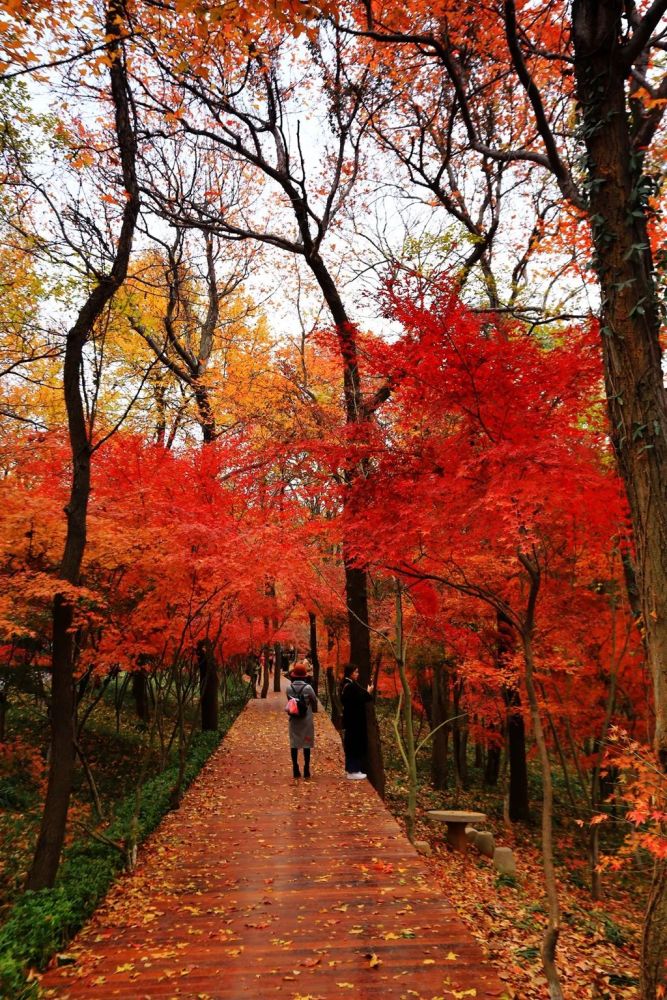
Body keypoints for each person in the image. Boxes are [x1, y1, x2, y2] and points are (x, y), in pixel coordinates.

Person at [340, 663, 373, 780]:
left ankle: (354, 769)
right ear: (350, 673)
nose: (357, 674)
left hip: (351, 720)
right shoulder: (350, 686)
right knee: (354, 745)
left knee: (352, 744)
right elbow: (359, 700)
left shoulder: (346, 684)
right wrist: (368, 692)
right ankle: (353, 770)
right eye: (356, 672)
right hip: (354, 721)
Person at [286, 661, 318, 779]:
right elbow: (314, 699)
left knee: (294, 744)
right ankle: (306, 769)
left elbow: (290, 702)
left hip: (294, 718)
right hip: (306, 719)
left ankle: (295, 768)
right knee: (306, 744)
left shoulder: (289, 688)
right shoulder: (308, 687)